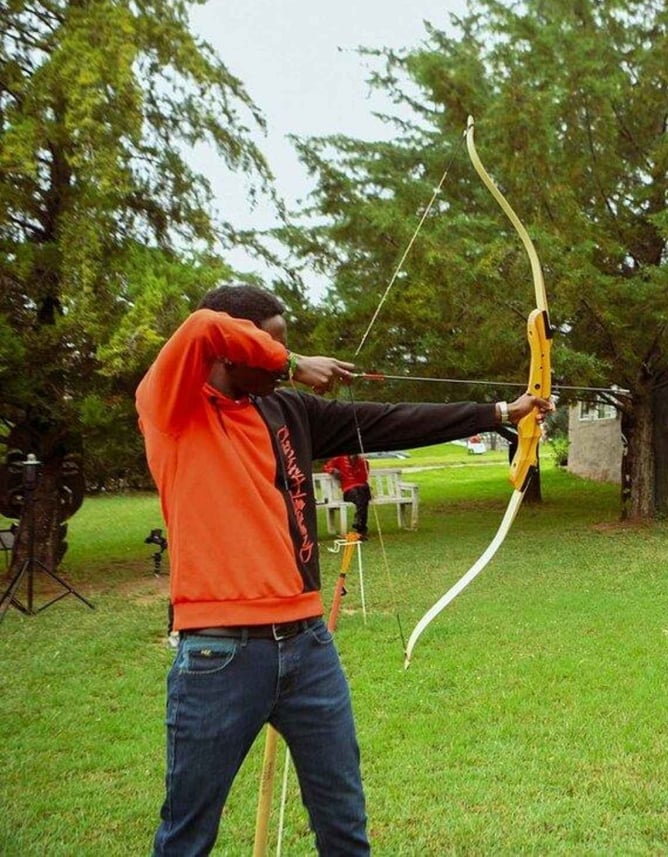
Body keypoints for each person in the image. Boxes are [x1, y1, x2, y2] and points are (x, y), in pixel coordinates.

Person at [136, 283, 551, 856]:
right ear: (235, 350)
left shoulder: (284, 411)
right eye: (269, 345)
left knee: (344, 825)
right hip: (220, 653)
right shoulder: (172, 406)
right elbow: (202, 326)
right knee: (188, 835)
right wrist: (294, 362)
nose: (281, 361)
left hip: (308, 646)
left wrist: (501, 412)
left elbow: (385, 421)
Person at [323, 452, 371, 536]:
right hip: (349, 491)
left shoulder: (362, 462)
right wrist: (333, 470)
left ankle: (359, 523)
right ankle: (361, 527)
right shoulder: (339, 458)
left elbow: (364, 479)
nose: (354, 455)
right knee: (362, 497)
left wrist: (360, 464)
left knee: (362, 492)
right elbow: (326, 466)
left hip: (361, 489)